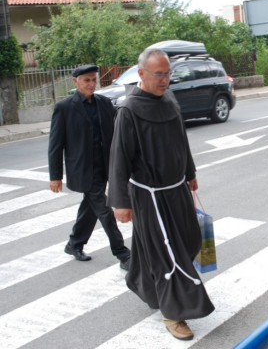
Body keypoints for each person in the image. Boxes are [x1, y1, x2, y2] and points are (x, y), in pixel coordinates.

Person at [107, 48, 215, 341]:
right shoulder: (129, 110)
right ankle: (174, 312)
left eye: (168, 73)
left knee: (190, 241)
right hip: (150, 197)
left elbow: (182, 141)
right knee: (168, 255)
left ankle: (145, 285)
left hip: (176, 188)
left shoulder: (169, 99)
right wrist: (120, 202)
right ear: (141, 74)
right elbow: (119, 158)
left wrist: (190, 173)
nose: (165, 79)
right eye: (159, 74)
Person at [48, 65, 131, 270]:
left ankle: (74, 244)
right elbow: (55, 145)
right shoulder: (64, 107)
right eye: (86, 80)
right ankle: (123, 254)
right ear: (75, 81)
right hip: (83, 169)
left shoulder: (104, 103)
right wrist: (55, 175)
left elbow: (116, 132)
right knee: (103, 210)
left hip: (103, 165)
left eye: (94, 80)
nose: (92, 84)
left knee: (91, 206)